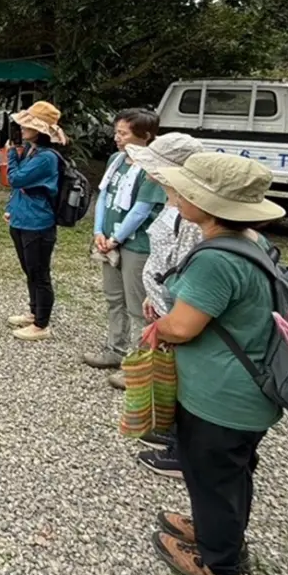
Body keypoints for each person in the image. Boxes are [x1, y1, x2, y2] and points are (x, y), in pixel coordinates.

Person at [145, 153, 285, 575]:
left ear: (209, 205)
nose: (178, 195)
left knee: (212, 478)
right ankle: (216, 532)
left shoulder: (215, 259)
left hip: (221, 398)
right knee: (230, 475)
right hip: (248, 392)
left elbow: (183, 326)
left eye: (187, 190)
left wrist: (158, 328)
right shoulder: (249, 242)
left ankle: (217, 562)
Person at [123, 133, 206, 479]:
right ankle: (171, 431)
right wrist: (150, 293)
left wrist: (168, 311)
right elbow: (162, 255)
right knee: (170, 375)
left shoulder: (192, 214)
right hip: (160, 303)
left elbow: (189, 264)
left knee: (187, 380)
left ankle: (183, 452)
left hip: (179, 311)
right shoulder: (173, 201)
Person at [83, 108, 165, 390]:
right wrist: (98, 231)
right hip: (108, 238)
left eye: (124, 133)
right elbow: (104, 195)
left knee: (137, 305)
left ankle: (138, 365)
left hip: (137, 244)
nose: (117, 138)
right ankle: (114, 349)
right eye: (116, 132)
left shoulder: (151, 167)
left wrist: (116, 238)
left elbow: (141, 210)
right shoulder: (117, 160)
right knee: (113, 297)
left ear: (145, 136)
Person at [2, 102, 67, 342]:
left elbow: (16, 179)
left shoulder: (46, 157)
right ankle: (34, 311)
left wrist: (10, 154)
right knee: (29, 269)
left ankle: (42, 323)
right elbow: (22, 188)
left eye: (27, 124)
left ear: (39, 130)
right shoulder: (33, 151)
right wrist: (11, 208)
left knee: (39, 272)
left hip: (38, 222)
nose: (21, 128)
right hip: (23, 218)